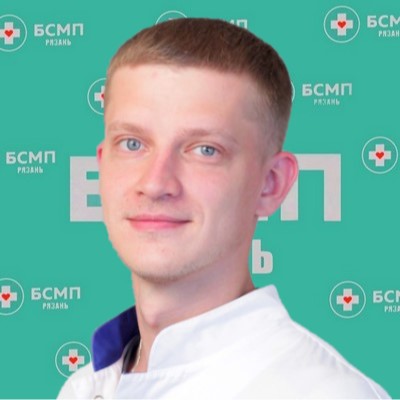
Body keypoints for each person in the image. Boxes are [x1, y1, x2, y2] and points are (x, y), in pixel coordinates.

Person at [58, 18, 390, 399]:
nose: (155, 183)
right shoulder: (83, 387)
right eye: (132, 144)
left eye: (205, 150)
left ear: (271, 184)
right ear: (102, 166)